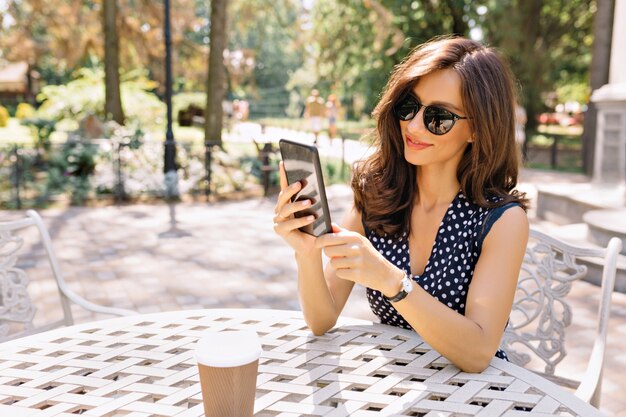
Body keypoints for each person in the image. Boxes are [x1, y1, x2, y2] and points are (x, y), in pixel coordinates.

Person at [273, 36, 529, 373]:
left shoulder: (501, 221)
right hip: (393, 384)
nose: (413, 125)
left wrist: (393, 281)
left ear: (478, 130)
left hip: (473, 397)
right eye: (409, 106)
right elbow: (322, 320)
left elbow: (478, 353)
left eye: (438, 117)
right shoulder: (378, 196)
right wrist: (306, 252)